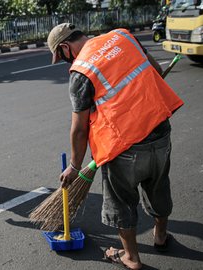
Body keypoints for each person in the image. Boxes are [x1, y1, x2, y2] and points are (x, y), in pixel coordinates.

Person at [47, 23, 184, 269]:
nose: (65, 62)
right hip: (161, 133)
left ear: (66, 47)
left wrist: (75, 167)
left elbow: (79, 128)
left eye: (61, 57)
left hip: (124, 147)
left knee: (121, 202)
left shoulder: (81, 70)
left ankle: (131, 257)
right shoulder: (123, 36)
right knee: (159, 187)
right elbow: (155, 70)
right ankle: (161, 236)